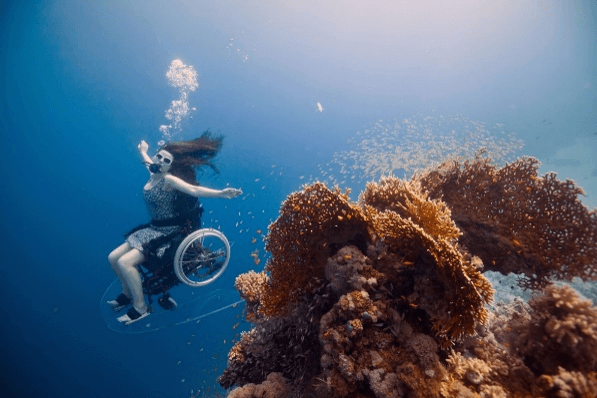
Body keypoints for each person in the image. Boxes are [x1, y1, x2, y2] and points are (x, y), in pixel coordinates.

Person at [107, 132, 242, 325]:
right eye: (159, 157)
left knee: (125, 263)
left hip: (166, 234)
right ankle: (127, 294)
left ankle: (140, 308)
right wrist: (143, 151)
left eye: (166, 160)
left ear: (170, 166)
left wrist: (221, 193)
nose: (160, 161)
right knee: (113, 258)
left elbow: (194, 190)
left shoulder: (169, 180)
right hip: (151, 229)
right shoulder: (153, 172)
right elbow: (148, 161)